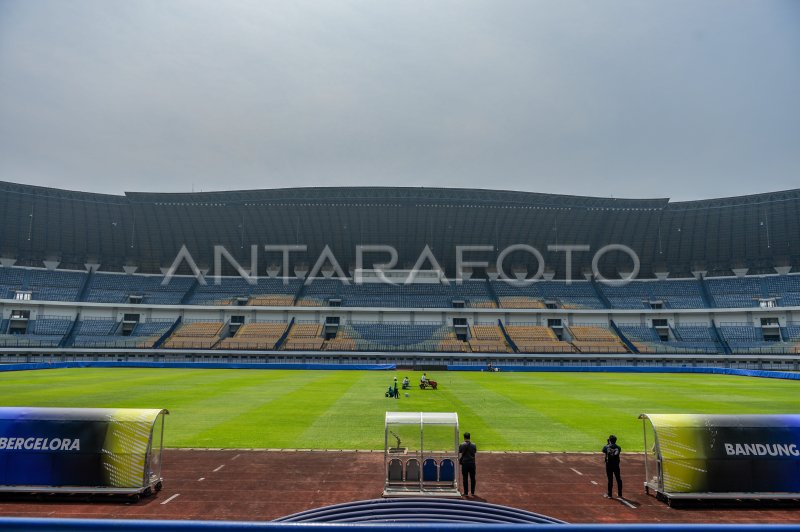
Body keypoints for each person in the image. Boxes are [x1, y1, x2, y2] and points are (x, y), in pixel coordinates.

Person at [602, 434, 622, 499]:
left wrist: (608, 443)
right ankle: (620, 493)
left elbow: (603, 450)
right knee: (618, 479)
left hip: (609, 465)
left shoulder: (606, 447)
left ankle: (610, 494)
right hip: (616, 465)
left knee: (610, 480)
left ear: (609, 440)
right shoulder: (618, 447)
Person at [458, 432, 477, 497]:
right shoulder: (474, 445)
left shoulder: (462, 445)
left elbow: (459, 451)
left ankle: (466, 493)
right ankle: (472, 492)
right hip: (472, 463)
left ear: (464, 437)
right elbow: (474, 451)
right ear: (469, 437)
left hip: (465, 464)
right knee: (473, 478)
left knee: (465, 478)